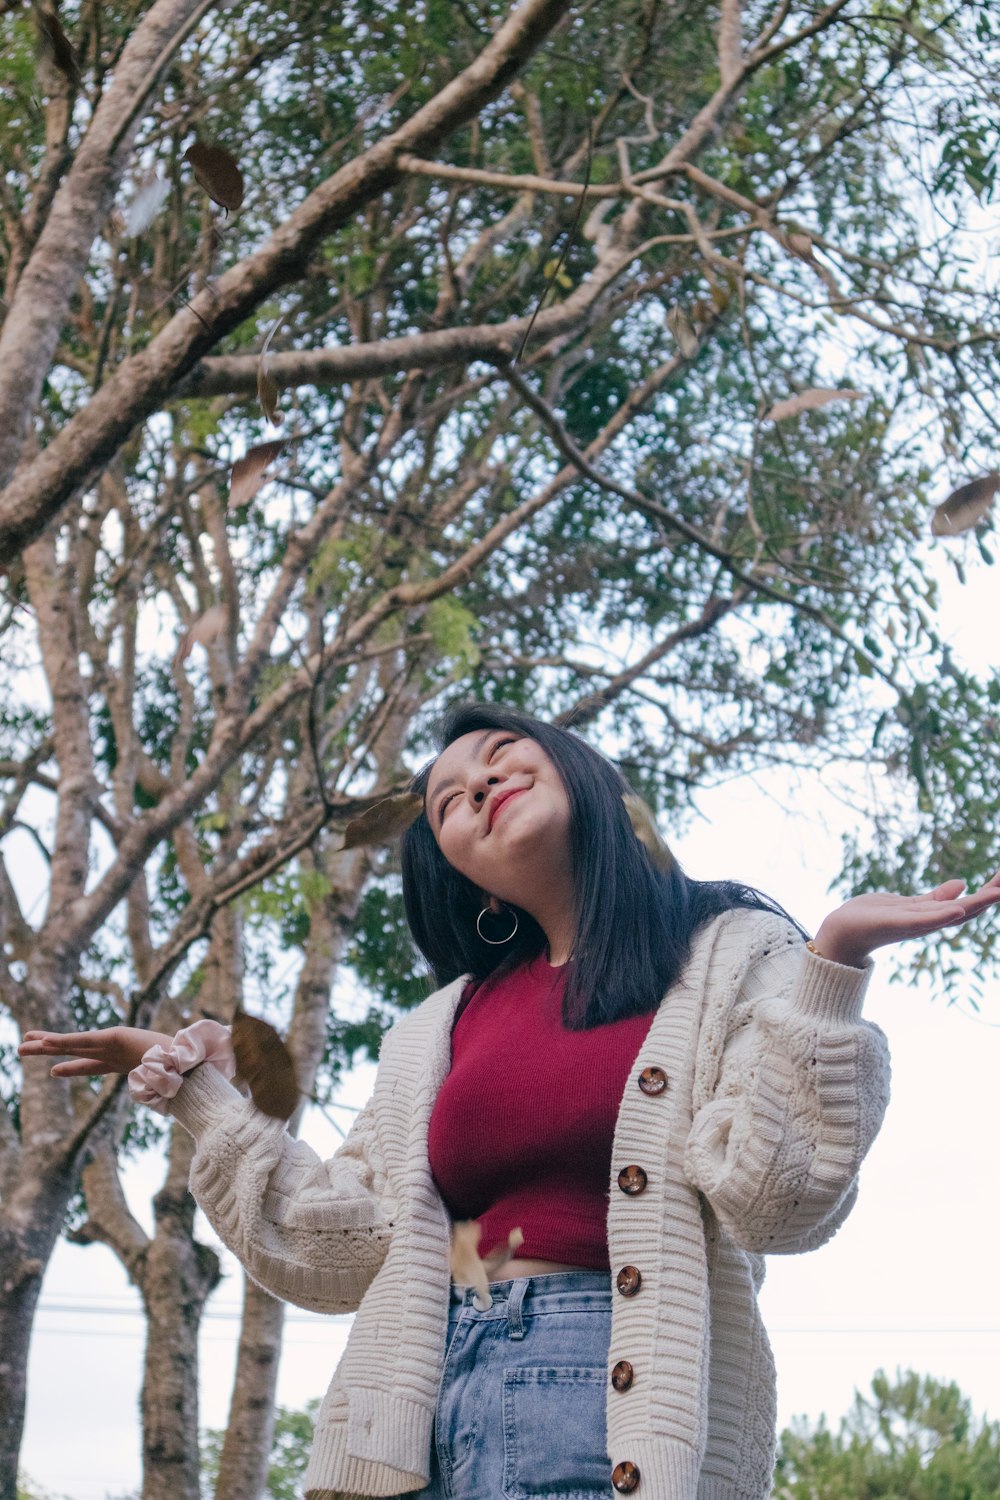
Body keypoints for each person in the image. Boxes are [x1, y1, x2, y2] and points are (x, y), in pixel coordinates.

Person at [19, 703, 1000, 1500]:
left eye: (499, 756)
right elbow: (335, 1248)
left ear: (579, 774)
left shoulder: (731, 952)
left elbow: (776, 1204)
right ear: (461, 873)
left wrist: (832, 966)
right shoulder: (437, 1027)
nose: (477, 784)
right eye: (448, 800)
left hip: (605, 1396)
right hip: (416, 1417)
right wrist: (204, 1095)